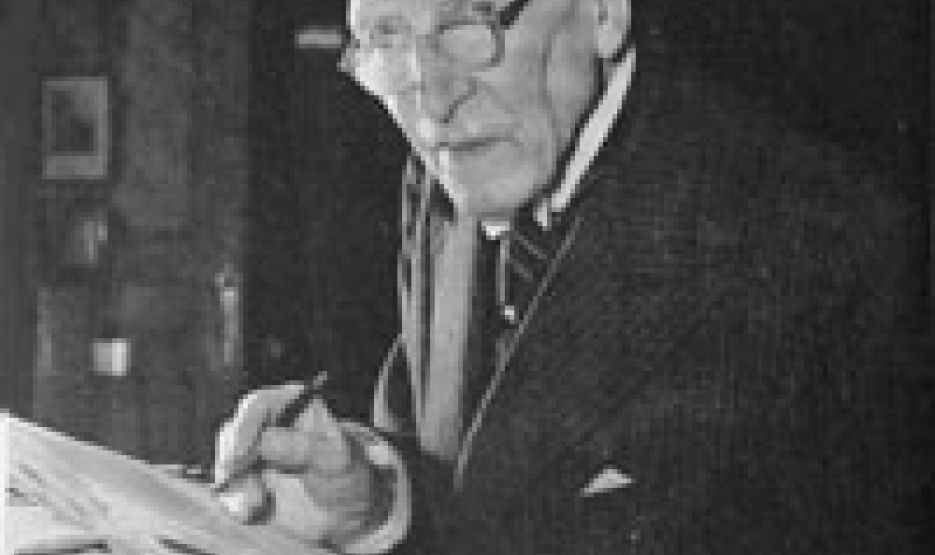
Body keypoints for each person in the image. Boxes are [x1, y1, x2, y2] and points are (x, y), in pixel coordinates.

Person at [213, 0, 919, 553]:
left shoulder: (817, 241)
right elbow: (471, 477)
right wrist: (372, 499)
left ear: (604, 13)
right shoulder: (447, 178)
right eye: (387, 35)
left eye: (470, 22)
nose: (433, 100)